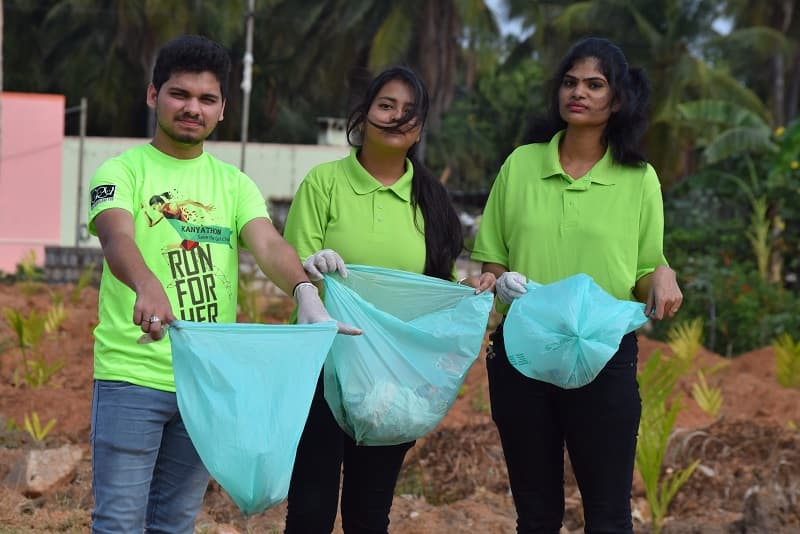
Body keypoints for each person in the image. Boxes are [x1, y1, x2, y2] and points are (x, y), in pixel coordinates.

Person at [87, 34, 358, 534]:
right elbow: (116, 235)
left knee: (174, 523)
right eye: (180, 94)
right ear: (153, 96)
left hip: (207, 382)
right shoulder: (121, 171)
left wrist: (305, 294)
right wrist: (146, 282)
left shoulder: (233, 184)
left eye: (206, 99)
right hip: (132, 374)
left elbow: (270, 245)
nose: (192, 108)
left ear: (222, 110)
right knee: (119, 523)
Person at [471, 37, 683, 533]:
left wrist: (664, 276)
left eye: (595, 84)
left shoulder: (639, 179)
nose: (578, 93)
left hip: (604, 355)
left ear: (619, 98)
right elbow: (489, 265)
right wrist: (498, 284)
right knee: (536, 514)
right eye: (570, 82)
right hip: (521, 355)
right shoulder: (520, 165)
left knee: (609, 515)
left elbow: (644, 270)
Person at [282, 66, 496, 533]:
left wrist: (471, 294)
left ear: (419, 127)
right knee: (310, 510)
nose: (397, 117)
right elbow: (294, 268)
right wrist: (313, 265)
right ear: (363, 113)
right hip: (321, 368)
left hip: (391, 378)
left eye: (409, 111)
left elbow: (435, 291)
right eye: (386, 105)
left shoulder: (432, 201)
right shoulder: (324, 183)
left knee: (369, 513)